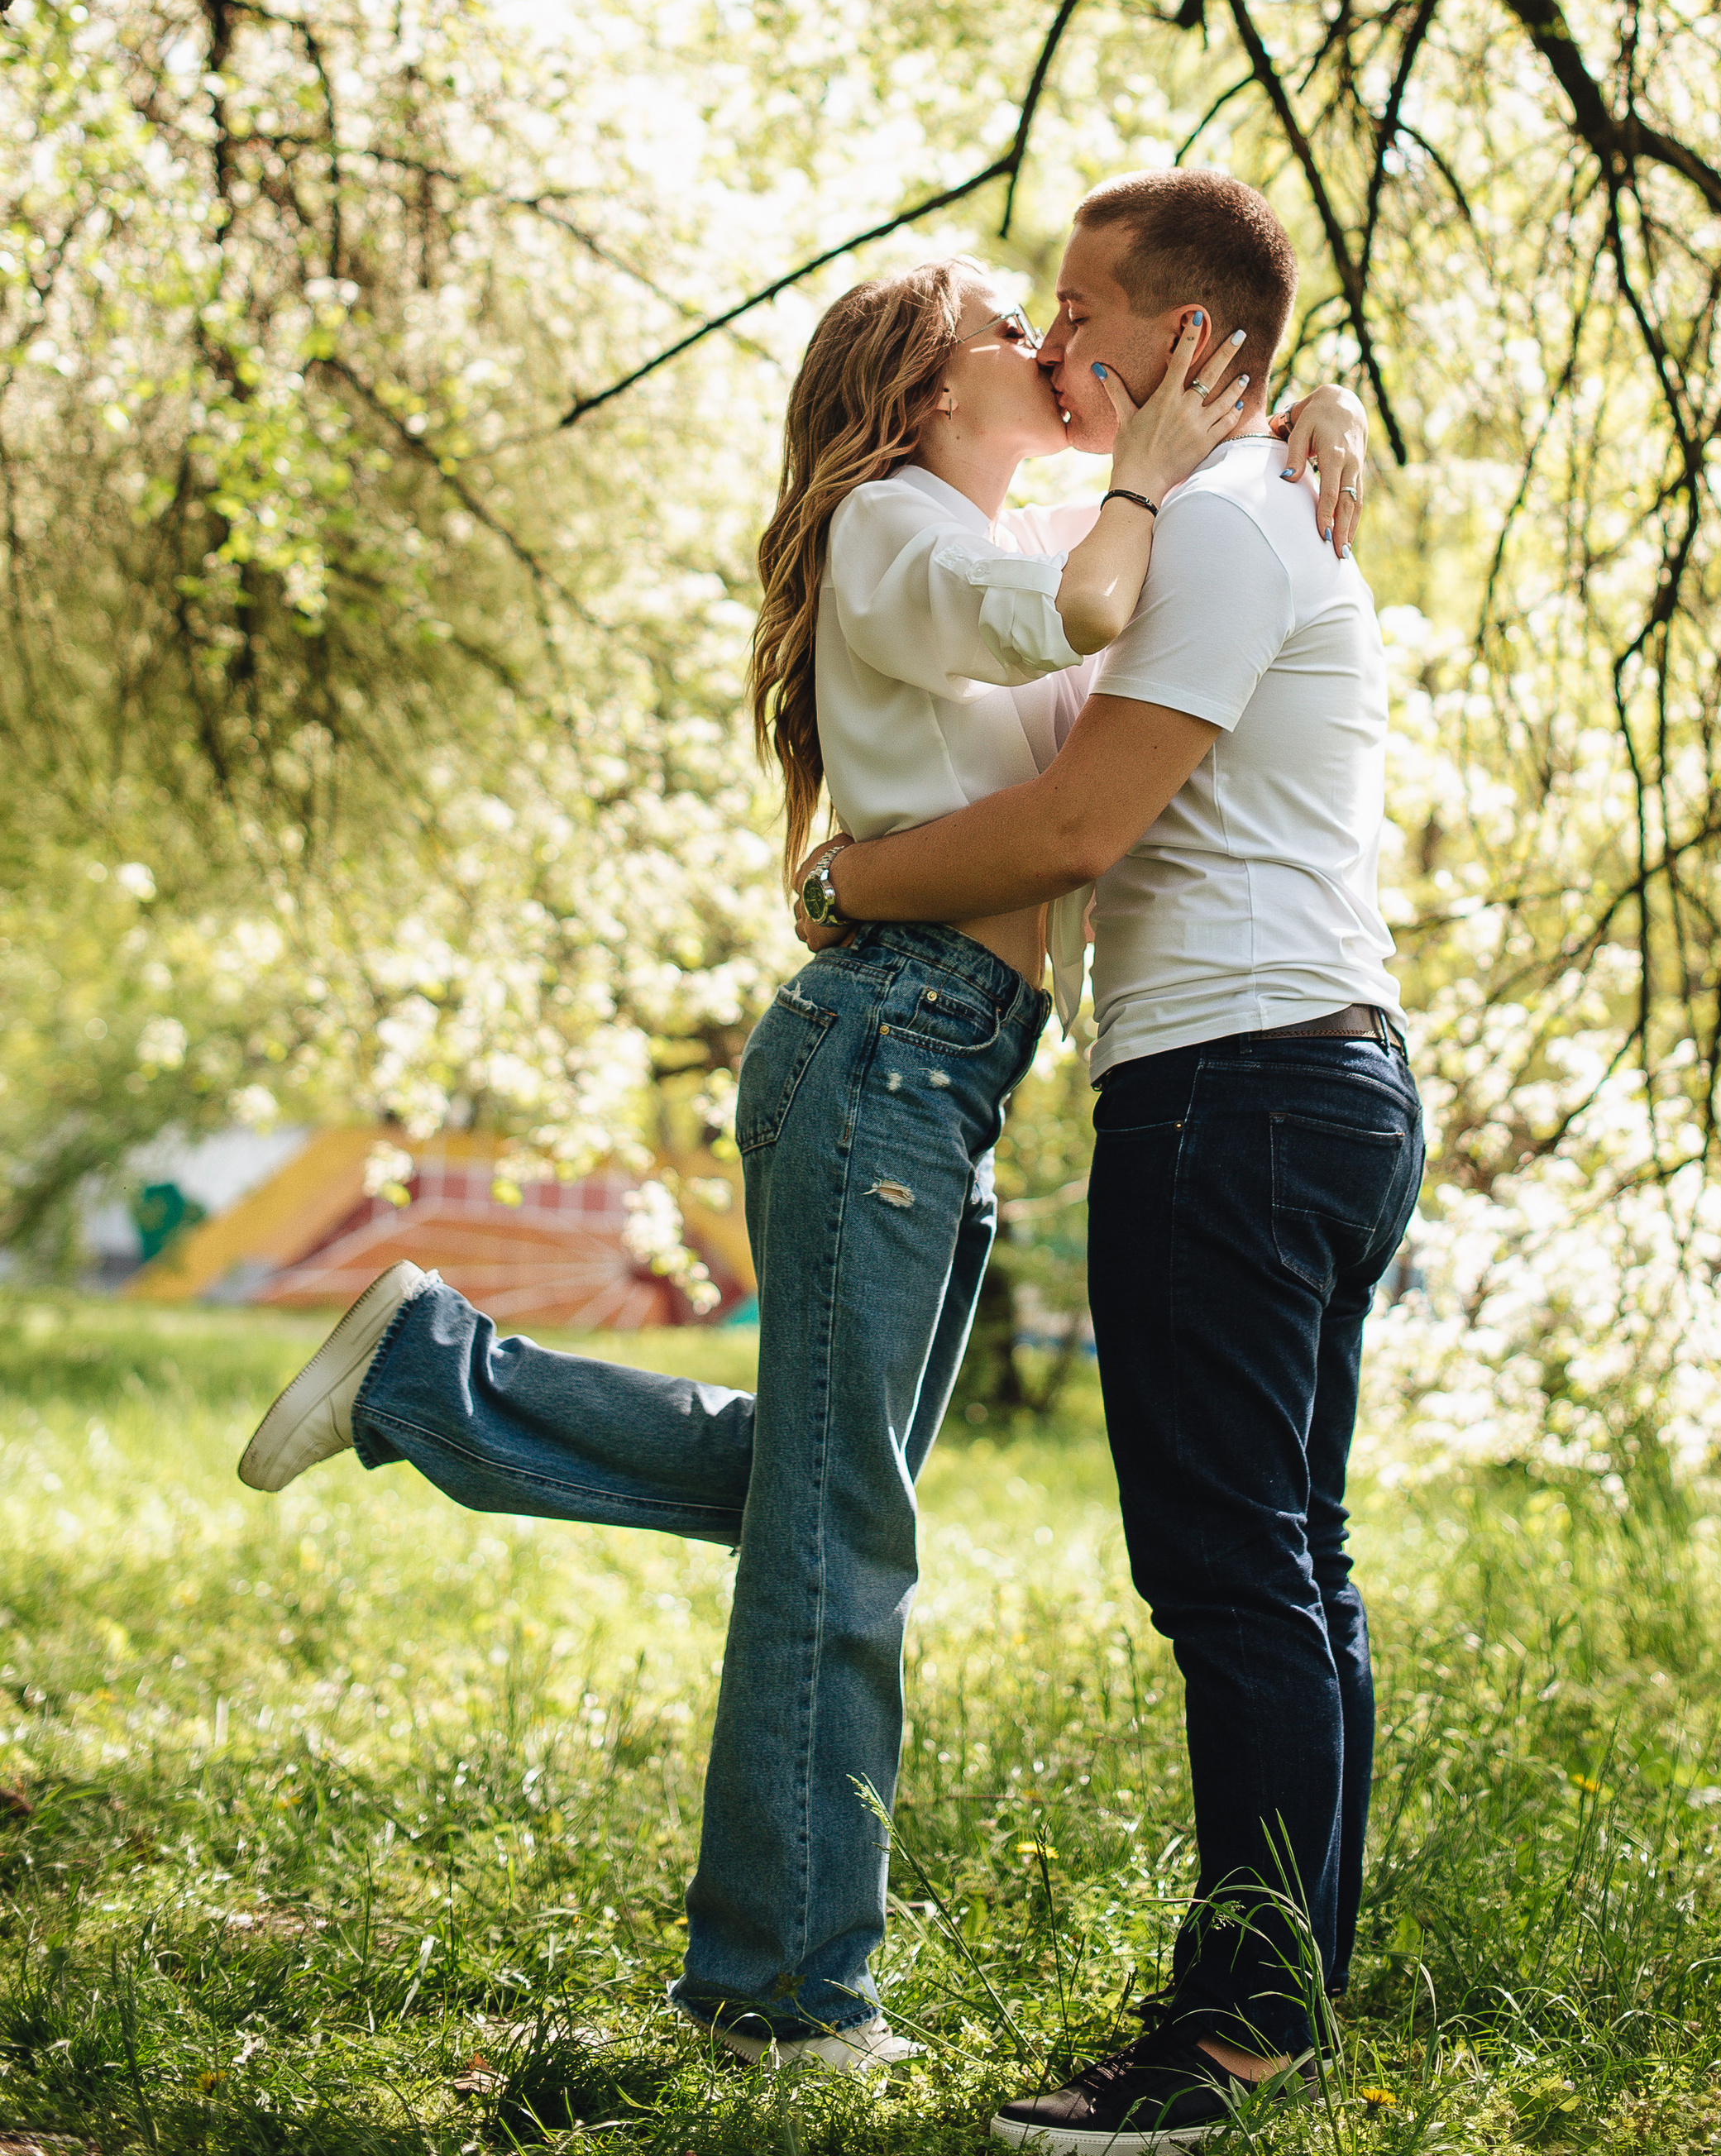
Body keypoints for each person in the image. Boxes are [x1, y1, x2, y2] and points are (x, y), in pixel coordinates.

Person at [233, 250, 1367, 2077]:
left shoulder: (967, 543)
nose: (1052, 347)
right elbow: (1095, 604)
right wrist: (1155, 466)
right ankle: (779, 1997)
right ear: (925, 392)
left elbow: (1135, 648)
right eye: (1017, 329)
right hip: (887, 1050)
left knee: (822, 1493)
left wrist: (1299, 423)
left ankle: (437, 1376)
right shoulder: (894, 524)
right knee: (841, 1538)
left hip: (939, 1072)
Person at [791, 171, 1423, 2151]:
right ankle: (1273, 2001)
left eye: (1084, 310)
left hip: (1235, 1089)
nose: (1059, 344)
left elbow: (1074, 829)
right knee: (1286, 1572)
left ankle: (1222, 2044)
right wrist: (1301, 418)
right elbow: (1060, 649)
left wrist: (848, 883)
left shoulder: (1228, 526)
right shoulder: (1213, 518)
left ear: (1181, 337)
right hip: (1298, 1073)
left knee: (1229, 1575)